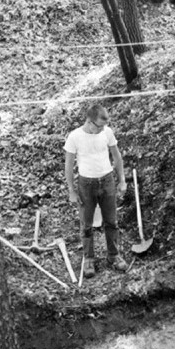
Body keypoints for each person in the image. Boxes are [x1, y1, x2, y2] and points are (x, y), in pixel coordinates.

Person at [64, 104, 129, 277]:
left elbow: (117, 157)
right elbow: (69, 166)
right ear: (89, 121)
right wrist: (71, 190)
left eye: (104, 126)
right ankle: (89, 259)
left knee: (111, 221)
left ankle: (113, 256)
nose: (102, 129)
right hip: (86, 184)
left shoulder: (107, 132)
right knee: (86, 224)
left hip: (107, 181)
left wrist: (122, 180)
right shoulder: (75, 137)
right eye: (99, 126)